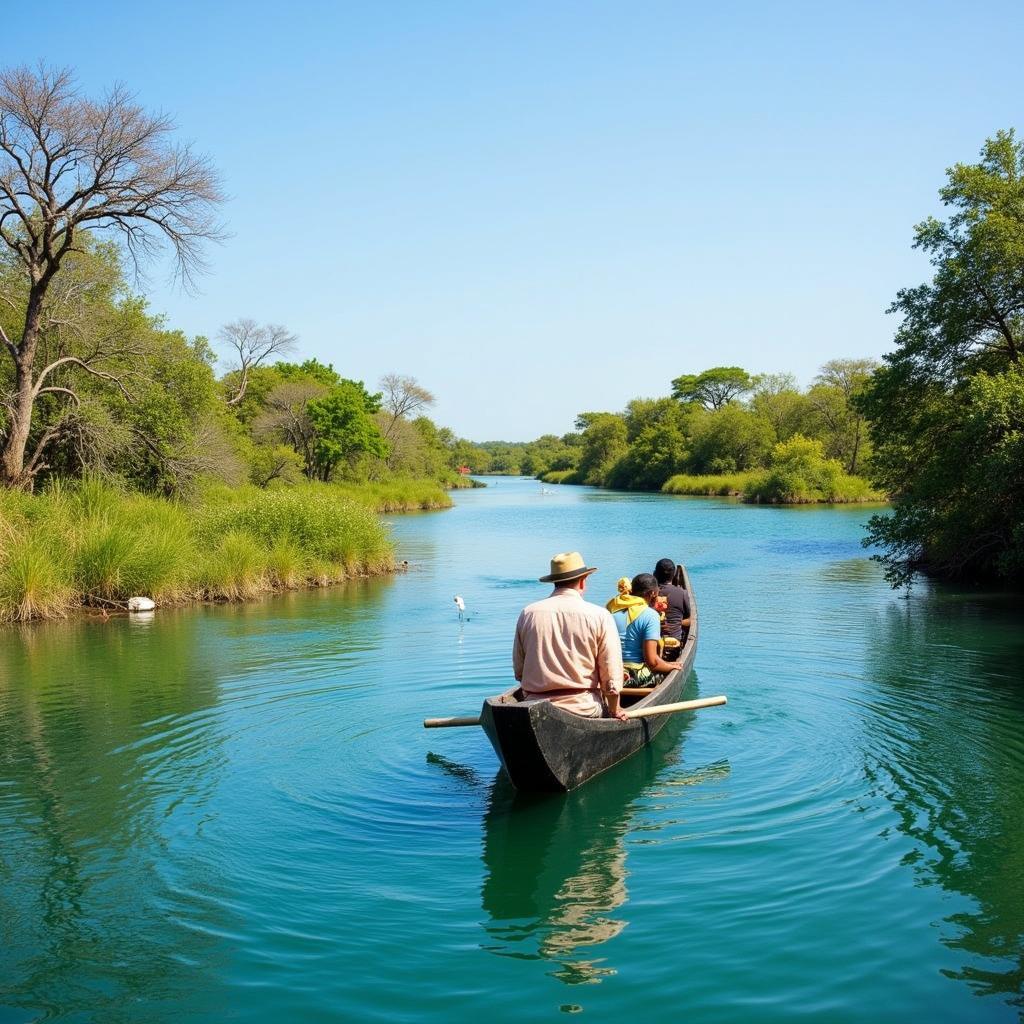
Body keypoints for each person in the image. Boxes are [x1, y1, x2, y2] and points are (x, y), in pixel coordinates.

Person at [513, 552, 628, 721]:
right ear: (583, 581)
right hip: (583, 708)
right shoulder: (599, 615)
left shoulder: (528, 613)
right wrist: (614, 709)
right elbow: (610, 673)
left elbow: (519, 670)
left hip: (533, 707)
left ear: (555, 581)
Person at [612, 572, 680, 685]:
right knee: (661, 675)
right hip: (633, 677)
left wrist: (667, 664)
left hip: (611, 673)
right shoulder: (650, 615)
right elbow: (652, 662)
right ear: (652, 593)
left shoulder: (613, 610)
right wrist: (671, 667)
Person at [653, 557, 691, 658]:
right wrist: (678, 622)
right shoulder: (682, 593)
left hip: (651, 646)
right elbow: (691, 620)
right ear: (673, 575)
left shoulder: (649, 594)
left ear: (655, 574)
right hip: (673, 646)